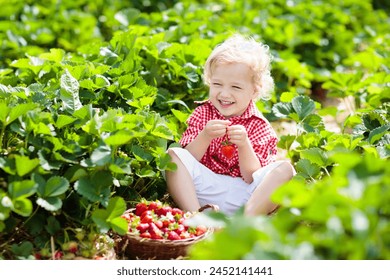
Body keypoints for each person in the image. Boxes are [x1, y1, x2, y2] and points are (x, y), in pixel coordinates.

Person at [165, 34, 295, 216]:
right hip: (204, 190)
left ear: (255, 91)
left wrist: (244, 145)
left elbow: (252, 177)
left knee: (285, 169)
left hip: (246, 197)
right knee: (174, 155)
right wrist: (205, 136)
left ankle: (243, 222)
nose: (224, 94)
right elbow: (190, 160)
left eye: (236, 87)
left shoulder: (259, 126)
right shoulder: (203, 113)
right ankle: (196, 217)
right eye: (217, 84)